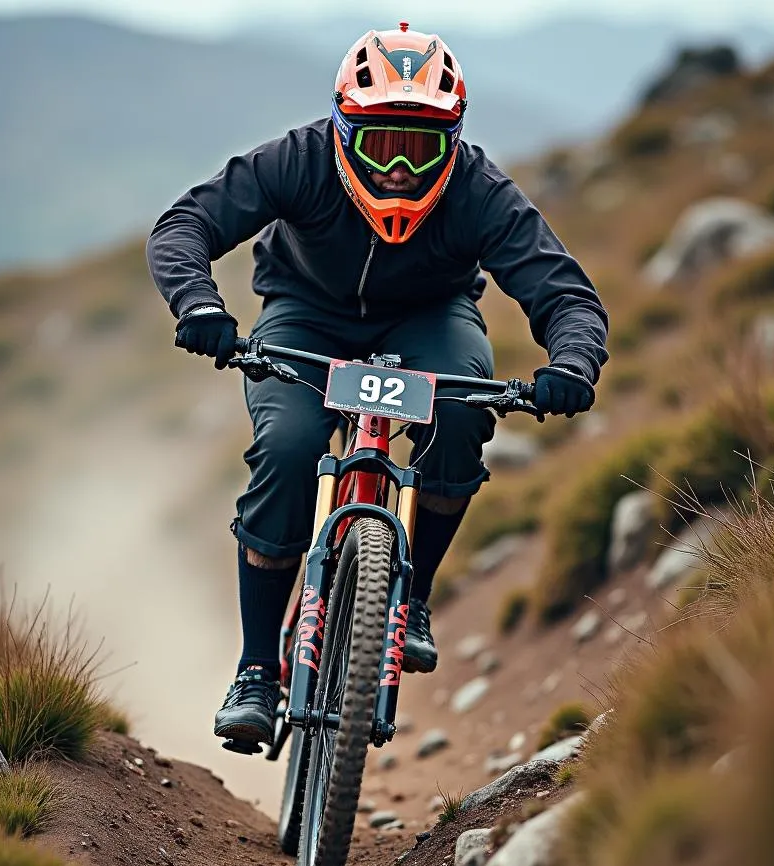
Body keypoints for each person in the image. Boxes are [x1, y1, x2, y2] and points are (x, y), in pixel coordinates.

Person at [147, 23, 608, 752]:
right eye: (379, 144)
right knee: (290, 447)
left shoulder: (479, 189)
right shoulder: (296, 160)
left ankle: (410, 598)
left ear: (452, 142)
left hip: (428, 318)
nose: (397, 168)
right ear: (342, 130)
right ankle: (257, 670)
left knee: (460, 420)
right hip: (304, 313)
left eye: (420, 147)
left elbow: (566, 296)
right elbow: (185, 225)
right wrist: (199, 305)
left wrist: (573, 365)